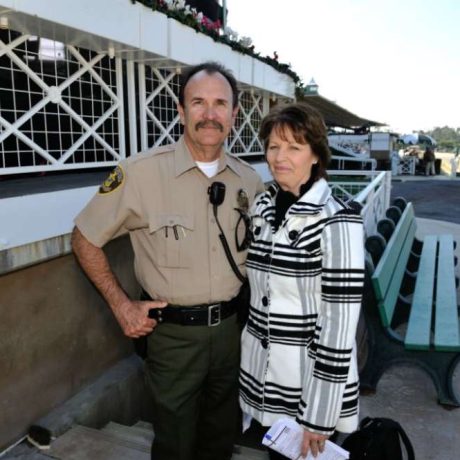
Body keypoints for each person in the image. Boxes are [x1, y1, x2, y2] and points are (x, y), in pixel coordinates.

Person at [71, 61, 265, 460]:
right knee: (174, 444)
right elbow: (84, 239)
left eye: (219, 103)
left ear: (233, 114)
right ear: (180, 111)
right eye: (198, 102)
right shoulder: (140, 174)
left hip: (232, 333)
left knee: (220, 439)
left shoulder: (250, 181)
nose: (209, 114)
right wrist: (122, 305)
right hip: (173, 337)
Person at [239, 103, 365, 459]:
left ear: (315, 155)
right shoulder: (263, 209)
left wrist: (319, 416)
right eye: (274, 146)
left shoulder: (337, 220)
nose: (280, 157)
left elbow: (339, 329)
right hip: (265, 381)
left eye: (294, 147)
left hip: (309, 388)